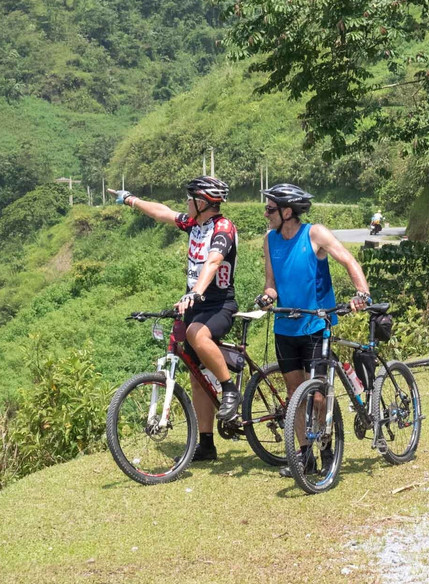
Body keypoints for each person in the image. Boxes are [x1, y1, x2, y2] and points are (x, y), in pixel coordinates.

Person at [109, 176, 240, 461]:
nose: (185, 202)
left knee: (196, 335)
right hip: (194, 304)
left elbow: (214, 261)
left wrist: (194, 292)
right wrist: (131, 199)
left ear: (202, 202)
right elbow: (162, 212)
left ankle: (230, 390)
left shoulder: (223, 227)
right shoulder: (194, 223)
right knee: (195, 374)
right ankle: (206, 444)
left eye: (189, 197)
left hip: (219, 304)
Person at [254, 183, 371, 475]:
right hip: (284, 326)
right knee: (295, 394)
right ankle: (305, 455)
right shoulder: (270, 240)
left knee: (318, 394)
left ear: (288, 211)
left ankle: (327, 447)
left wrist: (362, 293)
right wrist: (267, 297)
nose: (266, 214)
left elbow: (347, 259)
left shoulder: (314, 233)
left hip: (316, 324)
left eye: (270, 209)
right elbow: (272, 283)